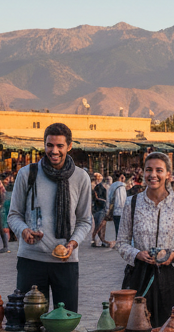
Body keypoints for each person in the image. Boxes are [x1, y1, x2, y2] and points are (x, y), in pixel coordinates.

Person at [7, 123, 94, 311]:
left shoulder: (81, 177)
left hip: (66, 262)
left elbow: (85, 220)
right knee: (30, 321)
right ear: (44, 145)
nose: (54, 151)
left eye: (60, 146)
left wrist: (73, 243)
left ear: (69, 146)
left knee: (65, 320)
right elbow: (14, 215)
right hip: (31, 260)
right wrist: (23, 230)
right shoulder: (27, 174)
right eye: (50, 145)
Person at [117, 152, 174, 326]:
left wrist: (173, 254)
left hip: (171, 279)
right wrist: (137, 254)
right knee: (136, 331)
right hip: (138, 277)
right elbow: (121, 242)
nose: (153, 175)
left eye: (159, 170)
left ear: (168, 174)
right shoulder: (132, 203)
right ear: (142, 172)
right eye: (148, 170)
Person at [107, 173, 127, 248]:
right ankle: (121, 243)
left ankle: (118, 242)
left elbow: (109, 198)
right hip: (122, 209)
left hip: (115, 210)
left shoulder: (112, 186)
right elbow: (123, 200)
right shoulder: (122, 186)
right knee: (122, 228)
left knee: (117, 227)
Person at [90, 172, 109, 247]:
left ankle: (97, 240)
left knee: (99, 225)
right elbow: (101, 198)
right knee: (100, 225)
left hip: (96, 209)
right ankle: (98, 240)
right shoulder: (100, 187)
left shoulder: (94, 187)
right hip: (101, 208)